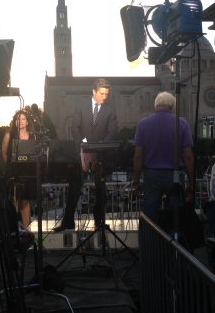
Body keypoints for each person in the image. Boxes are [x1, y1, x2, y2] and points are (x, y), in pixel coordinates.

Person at [54, 78, 118, 231]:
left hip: (100, 156)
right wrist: (84, 145)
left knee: (101, 190)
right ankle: (68, 222)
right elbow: (75, 127)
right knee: (74, 188)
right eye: (102, 93)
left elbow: (113, 132)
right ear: (94, 91)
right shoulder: (81, 106)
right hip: (82, 155)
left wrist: (98, 148)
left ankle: (99, 221)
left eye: (107, 94)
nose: (104, 97)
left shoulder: (110, 110)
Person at [133, 91, 194, 224]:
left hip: (151, 176)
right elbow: (188, 156)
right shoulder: (182, 124)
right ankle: (173, 242)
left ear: (155, 106)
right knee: (176, 216)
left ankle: (152, 243)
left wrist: (136, 181)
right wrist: (191, 182)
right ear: (172, 107)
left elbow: (138, 156)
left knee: (150, 216)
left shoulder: (142, 124)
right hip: (175, 176)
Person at [2, 110, 36, 229]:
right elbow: (4, 154)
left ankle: (26, 229)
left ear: (27, 122)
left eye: (23, 119)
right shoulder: (8, 135)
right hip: (12, 173)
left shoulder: (33, 136)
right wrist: (12, 167)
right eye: (18, 119)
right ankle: (13, 229)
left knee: (25, 201)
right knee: (13, 201)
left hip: (27, 173)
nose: (20, 121)